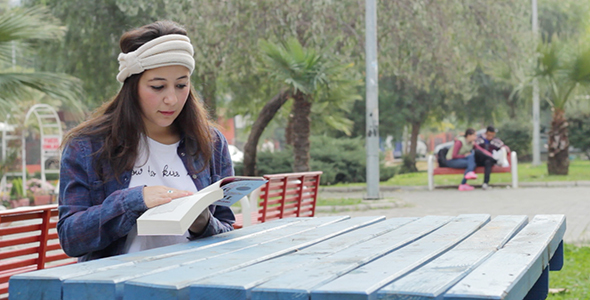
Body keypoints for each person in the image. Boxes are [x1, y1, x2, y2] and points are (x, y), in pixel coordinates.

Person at [57, 21, 235, 262]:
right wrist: (134, 200)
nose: (171, 99)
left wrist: (204, 223)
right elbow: (71, 238)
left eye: (181, 85)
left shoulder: (211, 143)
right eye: (158, 86)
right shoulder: (88, 145)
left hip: (194, 283)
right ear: (132, 86)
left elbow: (227, 232)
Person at [475, 126, 507, 190]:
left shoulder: (496, 141)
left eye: (492, 135)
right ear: (486, 133)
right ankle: (493, 159)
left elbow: (503, 147)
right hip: (479, 160)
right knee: (477, 151)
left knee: (488, 162)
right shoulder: (479, 139)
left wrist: (505, 148)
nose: (491, 137)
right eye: (489, 135)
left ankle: (485, 183)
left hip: (488, 161)